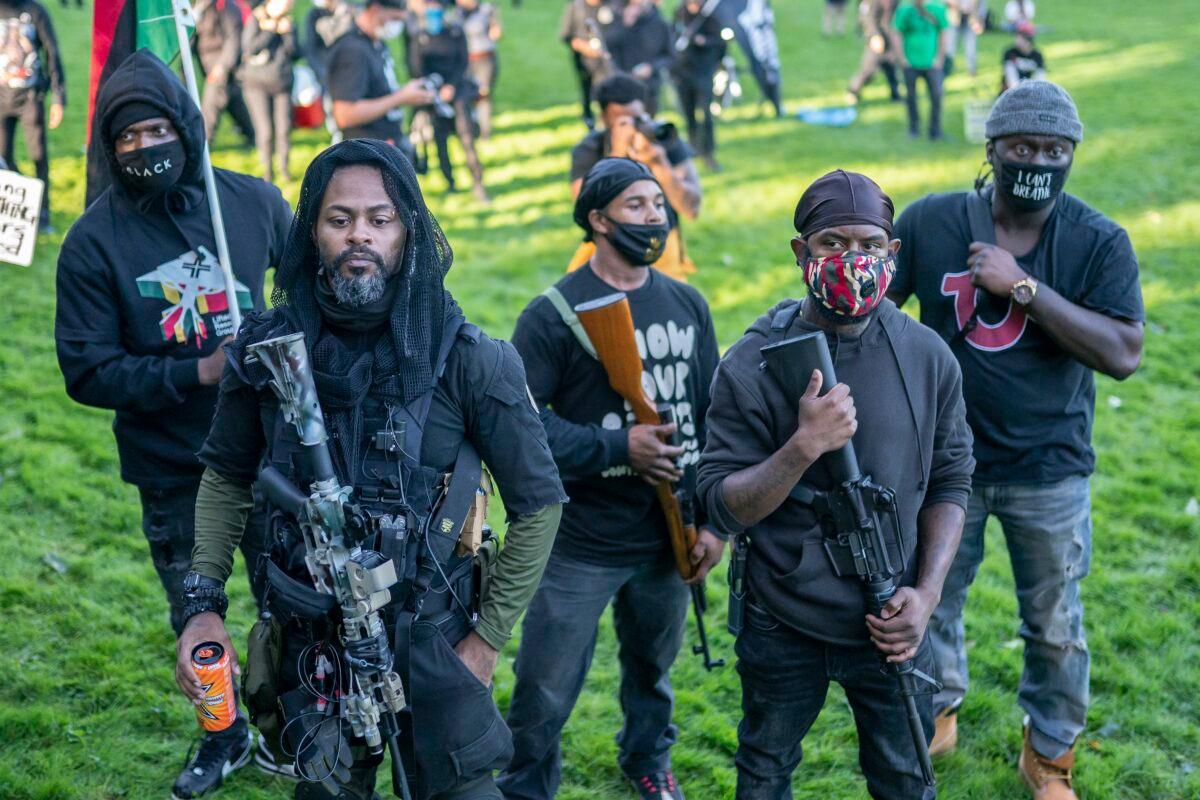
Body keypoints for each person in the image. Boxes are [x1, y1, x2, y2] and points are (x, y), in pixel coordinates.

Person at [174, 137, 566, 800]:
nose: (360, 235)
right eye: (340, 219)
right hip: (312, 643)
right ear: (313, 232)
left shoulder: (471, 359)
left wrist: (486, 641)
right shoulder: (267, 348)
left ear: (407, 231)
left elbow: (539, 504)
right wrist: (203, 606)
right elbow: (226, 477)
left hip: (436, 639)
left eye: (379, 220)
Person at [888, 81, 1144, 800]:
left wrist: (1023, 288)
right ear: (993, 150)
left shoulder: (1097, 240)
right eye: (1023, 147)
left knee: (1055, 623)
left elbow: (1124, 352)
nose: (1037, 160)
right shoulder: (935, 220)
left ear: (1072, 156)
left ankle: (1051, 752)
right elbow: (876, 316)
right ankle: (936, 707)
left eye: (1054, 150)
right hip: (943, 466)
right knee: (930, 598)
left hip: (1049, 467)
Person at [54, 50, 293, 800]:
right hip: (176, 466)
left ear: (188, 128)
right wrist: (197, 372)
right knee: (201, 615)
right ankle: (223, 737)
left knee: (294, 606)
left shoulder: (252, 204)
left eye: (158, 128)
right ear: (107, 147)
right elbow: (87, 370)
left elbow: (310, 309)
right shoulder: (94, 244)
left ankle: (293, 726)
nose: (145, 148)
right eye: (127, 138)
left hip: (276, 454)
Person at [697, 169, 975, 800]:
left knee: (906, 778)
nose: (855, 260)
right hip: (781, 620)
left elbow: (953, 480)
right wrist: (803, 447)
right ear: (802, 253)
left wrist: (925, 597)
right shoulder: (754, 361)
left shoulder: (929, 356)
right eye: (833, 244)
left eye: (872, 245)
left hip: (891, 618)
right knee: (765, 769)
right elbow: (719, 502)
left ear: (893, 253)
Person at [499, 157, 724, 800]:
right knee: (544, 682)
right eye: (636, 206)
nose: (654, 217)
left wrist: (710, 522)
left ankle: (648, 759)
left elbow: (713, 420)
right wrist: (616, 445)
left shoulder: (687, 303)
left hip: (666, 531)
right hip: (580, 538)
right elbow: (523, 427)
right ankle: (526, 784)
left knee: (652, 667)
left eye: (658, 204)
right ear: (597, 220)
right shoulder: (553, 315)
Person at [567, 73, 702, 281]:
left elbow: (692, 209)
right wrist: (618, 155)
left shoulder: (663, 139)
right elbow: (584, 212)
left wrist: (659, 164)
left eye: (638, 119)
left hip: (662, 251)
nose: (634, 127)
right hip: (610, 256)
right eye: (624, 121)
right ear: (604, 119)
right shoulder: (589, 150)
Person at [325, 0, 434, 153]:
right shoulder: (352, 50)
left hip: (387, 143)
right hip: (366, 151)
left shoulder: (375, 43)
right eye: (394, 19)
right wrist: (400, 98)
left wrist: (407, 93)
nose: (397, 26)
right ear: (375, 9)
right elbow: (344, 114)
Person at [408, 0, 491, 202]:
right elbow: (416, 67)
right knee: (440, 140)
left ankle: (477, 182)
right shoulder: (420, 37)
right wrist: (435, 88)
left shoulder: (455, 32)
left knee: (466, 137)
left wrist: (451, 86)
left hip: (457, 91)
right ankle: (450, 181)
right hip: (434, 95)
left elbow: (463, 62)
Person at [0, 0, 62, 232]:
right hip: (1, 99)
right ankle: (17, 210)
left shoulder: (36, 11)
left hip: (30, 99)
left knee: (39, 157)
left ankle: (43, 214)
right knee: (3, 159)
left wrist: (58, 97)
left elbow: (52, 53)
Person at [240, 0, 297, 183]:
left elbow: (296, 52)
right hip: (256, 83)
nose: (288, 5)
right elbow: (249, 47)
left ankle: (284, 168)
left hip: (282, 83)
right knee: (264, 130)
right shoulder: (256, 19)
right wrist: (270, 30)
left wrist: (288, 34)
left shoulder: (288, 22)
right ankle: (267, 170)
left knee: (283, 128)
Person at [671, 0, 726, 172]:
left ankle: (708, 152)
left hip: (702, 72)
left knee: (706, 116)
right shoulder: (679, 13)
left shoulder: (710, 15)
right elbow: (673, 36)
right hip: (682, 73)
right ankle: (693, 149)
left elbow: (720, 44)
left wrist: (705, 42)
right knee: (689, 116)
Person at [193, 0, 256, 145]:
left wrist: (223, 66)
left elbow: (233, 39)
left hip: (222, 62)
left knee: (211, 102)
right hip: (206, 62)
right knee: (233, 99)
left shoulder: (226, 6)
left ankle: (205, 143)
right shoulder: (198, 7)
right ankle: (252, 135)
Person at [891, 0, 948, 140]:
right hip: (911, 62)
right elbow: (896, 32)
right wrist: (902, 58)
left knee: (936, 95)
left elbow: (944, 32)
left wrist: (940, 57)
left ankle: (935, 131)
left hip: (931, 62)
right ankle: (913, 128)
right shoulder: (905, 10)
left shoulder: (937, 8)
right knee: (910, 96)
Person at [604, 0, 672, 116]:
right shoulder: (619, 19)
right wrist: (625, 24)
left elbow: (670, 55)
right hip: (624, 82)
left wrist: (651, 67)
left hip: (649, 86)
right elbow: (608, 47)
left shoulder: (659, 23)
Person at [559, 0, 616, 128]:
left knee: (607, 89)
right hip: (585, 60)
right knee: (586, 89)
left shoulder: (610, 5)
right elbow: (566, 35)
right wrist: (583, 47)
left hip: (606, 60)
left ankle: (607, 119)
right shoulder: (576, 7)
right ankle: (588, 118)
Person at [459, 0, 501, 139]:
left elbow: (496, 34)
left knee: (483, 95)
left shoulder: (486, 10)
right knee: (467, 96)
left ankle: (484, 132)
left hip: (484, 58)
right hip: (466, 60)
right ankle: (471, 129)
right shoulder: (457, 13)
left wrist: (495, 20)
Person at [846, 0, 901, 105]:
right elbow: (866, 17)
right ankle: (853, 91)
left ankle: (895, 94)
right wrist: (874, 35)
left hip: (890, 36)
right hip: (876, 37)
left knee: (891, 67)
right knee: (869, 68)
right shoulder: (872, 2)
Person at [1001, 21, 1045, 93]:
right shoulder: (1010, 53)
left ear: (1028, 41)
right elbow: (1010, 78)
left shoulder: (1037, 56)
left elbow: (1040, 78)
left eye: (1020, 37)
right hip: (1009, 93)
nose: (1017, 40)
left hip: (1030, 92)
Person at [946, 0, 985, 76]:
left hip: (970, 20)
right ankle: (948, 69)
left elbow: (981, 5)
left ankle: (972, 70)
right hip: (955, 18)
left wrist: (979, 20)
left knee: (971, 47)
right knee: (950, 47)